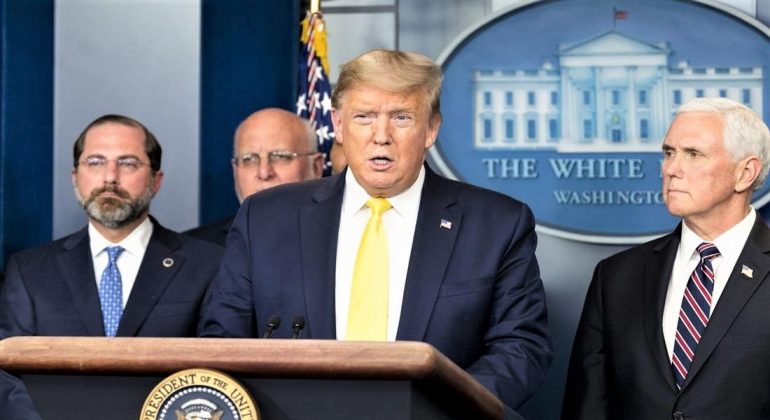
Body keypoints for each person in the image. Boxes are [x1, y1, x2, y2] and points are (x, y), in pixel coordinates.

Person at [199, 49, 552, 412]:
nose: (381, 136)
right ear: (338, 125)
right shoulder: (265, 218)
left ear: (431, 129)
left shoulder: (496, 224)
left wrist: (435, 414)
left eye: (401, 117)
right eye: (364, 117)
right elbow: (222, 341)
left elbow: (521, 348)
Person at [562, 97, 770, 419]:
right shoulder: (616, 277)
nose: (670, 169)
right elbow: (588, 406)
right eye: (669, 152)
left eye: (693, 154)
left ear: (745, 173)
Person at [0, 114, 222, 339]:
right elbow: (10, 359)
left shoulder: (208, 265)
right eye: (95, 162)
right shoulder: (30, 271)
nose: (110, 177)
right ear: (75, 178)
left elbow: (216, 356)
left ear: (156, 180)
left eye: (128, 163)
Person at [184, 108, 324, 246]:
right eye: (249, 159)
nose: (264, 173)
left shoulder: (335, 242)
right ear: (235, 171)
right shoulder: (192, 249)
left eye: (280, 156)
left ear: (316, 167)